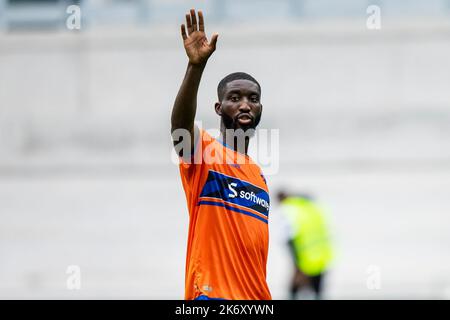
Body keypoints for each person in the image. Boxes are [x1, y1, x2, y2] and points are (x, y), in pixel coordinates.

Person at [171, 9, 271, 300]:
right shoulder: (204, 154)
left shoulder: (259, 176)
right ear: (219, 108)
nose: (244, 105)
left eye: (253, 99)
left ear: (260, 109)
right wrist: (195, 68)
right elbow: (180, 127)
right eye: (234, 98)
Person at [277, 191, 333, 300]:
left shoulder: (289, 211)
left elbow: (289, 239)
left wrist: (298, 266)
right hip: (321, 258)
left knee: (294, 291)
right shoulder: (311, 208)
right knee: (318, 293)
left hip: (304, 261)